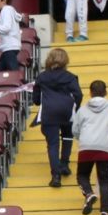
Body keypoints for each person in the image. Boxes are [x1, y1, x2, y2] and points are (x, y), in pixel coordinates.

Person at [74, 80, 108, 215]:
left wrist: (83, 139)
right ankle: (105, 214)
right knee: (105, 181)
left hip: (86, 146)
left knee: (82, 175)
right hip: (105, 147)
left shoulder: (82, 109)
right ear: (105, 92)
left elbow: (75, 130)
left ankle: (89, 193)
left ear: (90, 92)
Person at [33, 47, 81, 187]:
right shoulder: (70, 77)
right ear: (65, 60)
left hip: (49, 112)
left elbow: (36, 99)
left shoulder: (42, 77)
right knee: (67, 137)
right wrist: (75, 107)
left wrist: (41, 101)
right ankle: (64, 164)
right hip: (66, 110)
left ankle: (56, 176)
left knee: (53, 144)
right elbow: (78, 94)